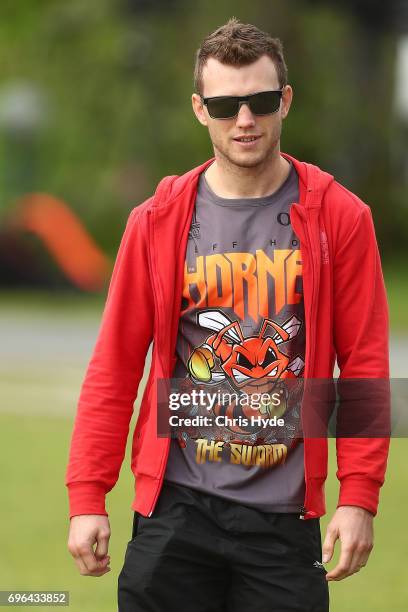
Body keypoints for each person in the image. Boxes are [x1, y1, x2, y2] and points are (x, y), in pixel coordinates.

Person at [65, 18, 390, 612]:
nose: (245, 120)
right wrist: (88, 497)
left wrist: (358, 496)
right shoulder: (157, 221)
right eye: (225, 105)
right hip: (176, 510)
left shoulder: (340, 216)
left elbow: (364, 360)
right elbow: (113, 366)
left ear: (285, 100)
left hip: (285, 521)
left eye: (261, 101)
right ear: (199, 109)